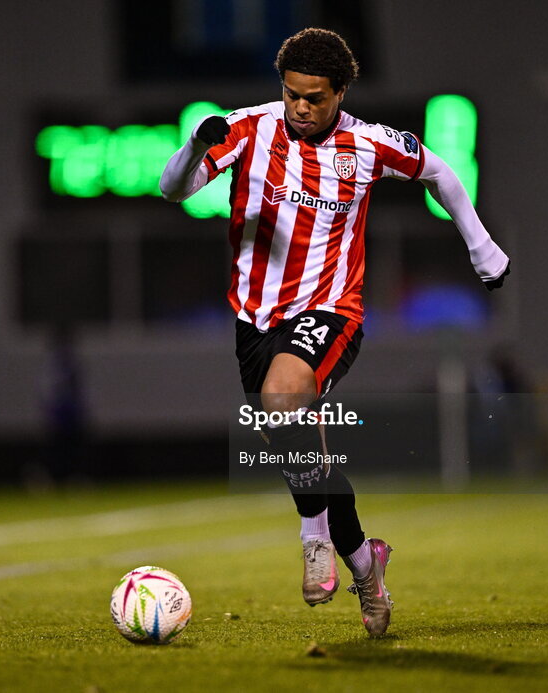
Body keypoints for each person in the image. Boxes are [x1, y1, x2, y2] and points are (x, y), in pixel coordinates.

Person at [159, 28, 509, 637]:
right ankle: (364, 564)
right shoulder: (246, 128)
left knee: (281, 401)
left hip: (331, 311)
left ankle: (312, 536)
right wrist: (194, 145)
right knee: (303, 459)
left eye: (314, 97)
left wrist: (482, 248)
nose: (300, 106)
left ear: (340, 92)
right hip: (253, 323)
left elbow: (442, 174)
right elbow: (173, 187)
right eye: (292, 94)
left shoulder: (368, 144)